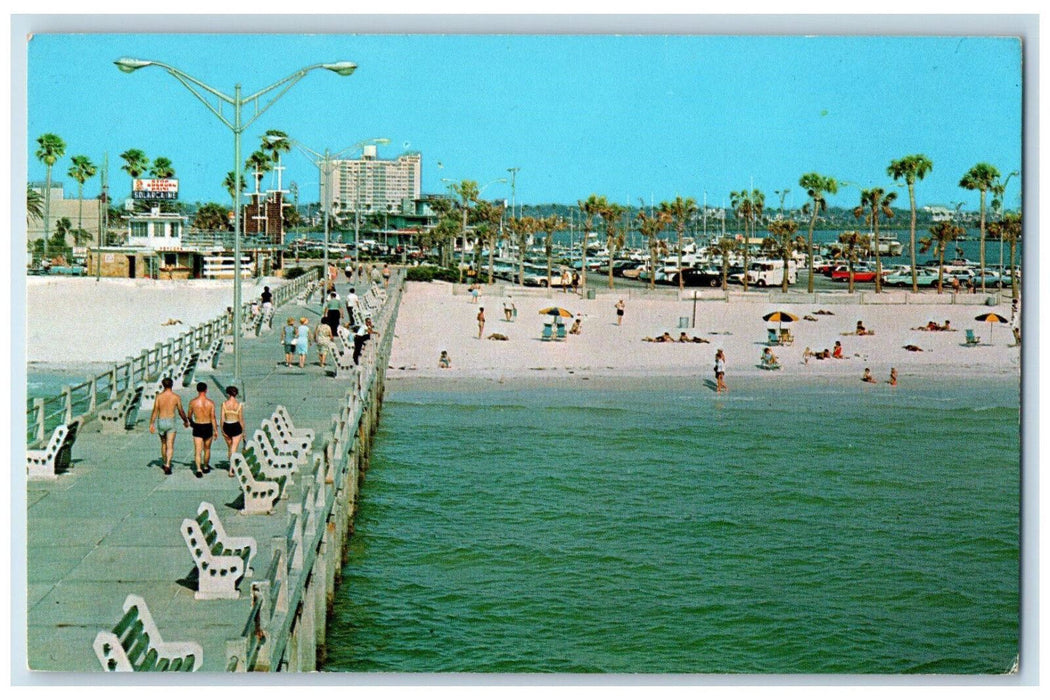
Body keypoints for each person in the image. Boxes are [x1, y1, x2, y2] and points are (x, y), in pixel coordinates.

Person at [149, 377, 189, 475]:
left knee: (163, 444)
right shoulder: (176, 397)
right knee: (170, 444)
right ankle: (167, 464)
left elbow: (155, 410)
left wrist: (151, 423)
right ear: (172, 385)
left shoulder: (159, 396)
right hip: (171, 421)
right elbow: (181, 411)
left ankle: (164, 461)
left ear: (163, 385)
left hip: (161, 421)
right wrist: (186, 421)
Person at [187, 382, 219, 478]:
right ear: (206, 390)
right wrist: (215, 430)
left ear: (197, 390)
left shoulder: (193, 402)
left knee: (198, 450)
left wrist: (192, 423)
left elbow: (189, 415)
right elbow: (213, 417)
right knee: (207, 449)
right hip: (208, 425)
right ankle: (205, 466)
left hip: (198, 425)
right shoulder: (210, 403)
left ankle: (198, 469)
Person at [220, 386, 245, 477]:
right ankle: (231, 469)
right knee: (234, 448)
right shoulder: (239, 405)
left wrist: (222, 430)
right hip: (236, 426)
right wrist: (243, 432)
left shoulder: (224, 404)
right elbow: (241, 419)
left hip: (227, 425)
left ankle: (231, 464)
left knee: (230, 448)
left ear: (228, 393)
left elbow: (222, 418)